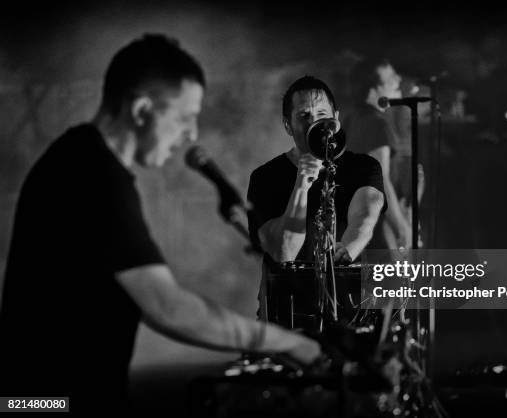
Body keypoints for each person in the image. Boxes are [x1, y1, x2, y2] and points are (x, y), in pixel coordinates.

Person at [0, 34, 320, 412]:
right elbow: (168, 308)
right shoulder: (92, 175)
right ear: (140, 110)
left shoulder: (83, 161)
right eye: (185, 118)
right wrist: (292, 343)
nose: (192, 134)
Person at [247, 76, 386, 318]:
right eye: (304, 117)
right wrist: (302, 182)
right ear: (288, 125)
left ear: (337, 120)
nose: (315, 124)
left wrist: (345, 252)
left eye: (322, 114)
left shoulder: (364, 167)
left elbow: (365, 218)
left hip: (351, 306)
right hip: (287, 309)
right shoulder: (265, 177)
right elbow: (283, 253)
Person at [343, 58, 425, 249]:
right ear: (373, 90)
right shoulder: (377, 124)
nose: (398, 80)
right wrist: (403, 229)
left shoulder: (352, 120)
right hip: (379, 234)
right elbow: (381, 181)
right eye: (391, 77)